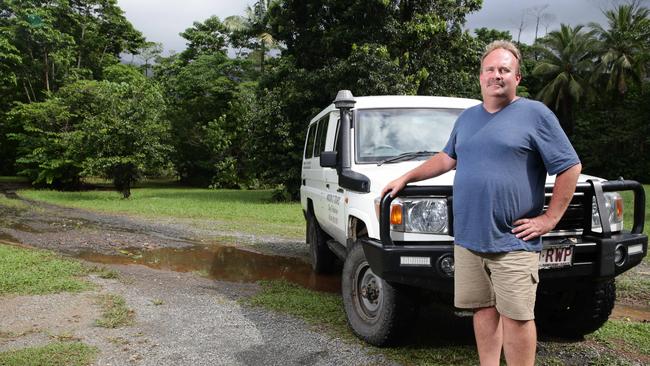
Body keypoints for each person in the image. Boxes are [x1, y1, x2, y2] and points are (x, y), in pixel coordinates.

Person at [381, 40, 582, 366]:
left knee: (517, 317)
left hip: (513, 241)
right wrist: (406, 178)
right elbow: (447, 158)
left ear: (517, 78)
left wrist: (549, 219)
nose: (496, 75)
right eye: (490, 69)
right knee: (483, 309)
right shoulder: (468, 118)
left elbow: (570, 166)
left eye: (504, 69)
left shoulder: (535, 114)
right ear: (480, 76)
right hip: (470, 239)